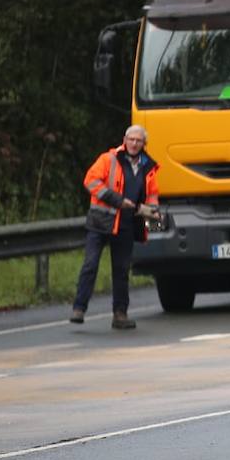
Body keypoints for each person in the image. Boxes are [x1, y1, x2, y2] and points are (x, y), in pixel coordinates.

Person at [71, 125, 160, 329]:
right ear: (124, 139)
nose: (134, 144)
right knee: (90, 265)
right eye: (131, 139)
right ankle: (79, 308)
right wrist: (117, 200)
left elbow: (153, 194)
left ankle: (120, 314)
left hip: (127, 224)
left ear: (144, 144)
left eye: (138, 141)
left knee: (121, 271)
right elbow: (90, 181)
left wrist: (151, 210)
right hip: (100, 222)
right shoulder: (109, 159)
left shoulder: (149, 167)